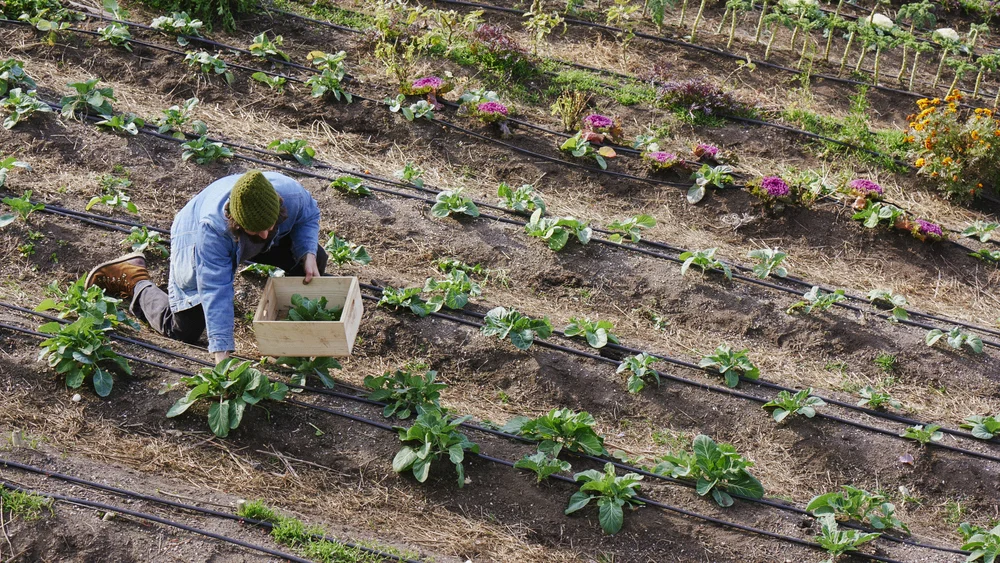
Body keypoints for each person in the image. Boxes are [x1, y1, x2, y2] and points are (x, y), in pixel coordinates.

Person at [85, 170, 326, 363]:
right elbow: (216, 289)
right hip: (191, 232)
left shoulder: (291, 195)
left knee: (313, 260)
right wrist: (222, 352)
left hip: (245, 223)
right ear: (238, 222)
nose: (264, 234)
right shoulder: (210, 232)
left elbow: (308, 215)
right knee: (183, 330)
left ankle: (290, 338)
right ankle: (135, 279)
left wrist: (307, 252)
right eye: (256, 229)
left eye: (269, 225)